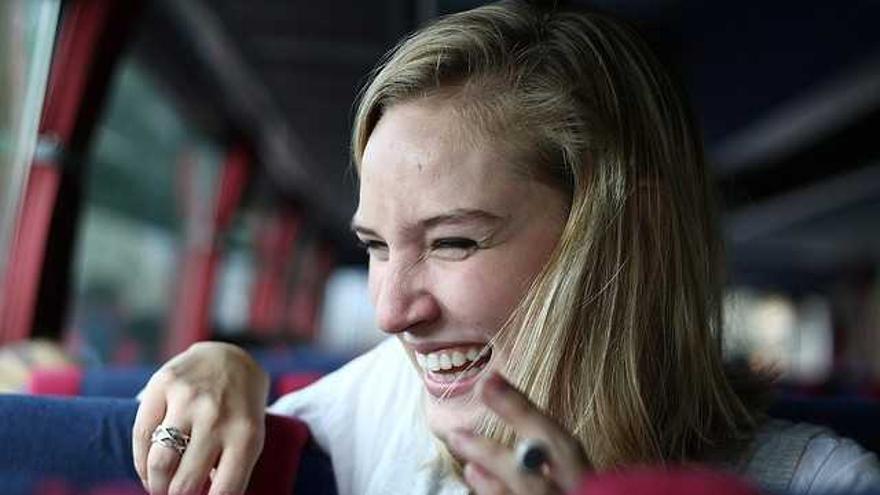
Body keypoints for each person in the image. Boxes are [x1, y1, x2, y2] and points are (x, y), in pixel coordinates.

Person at [132, 2, 880, 494]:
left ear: (633, 236)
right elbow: (233, 413)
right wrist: (218, 366)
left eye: (453, 241)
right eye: (377, 246)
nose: (391, 310)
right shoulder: (385, 403)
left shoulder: (821, 483)